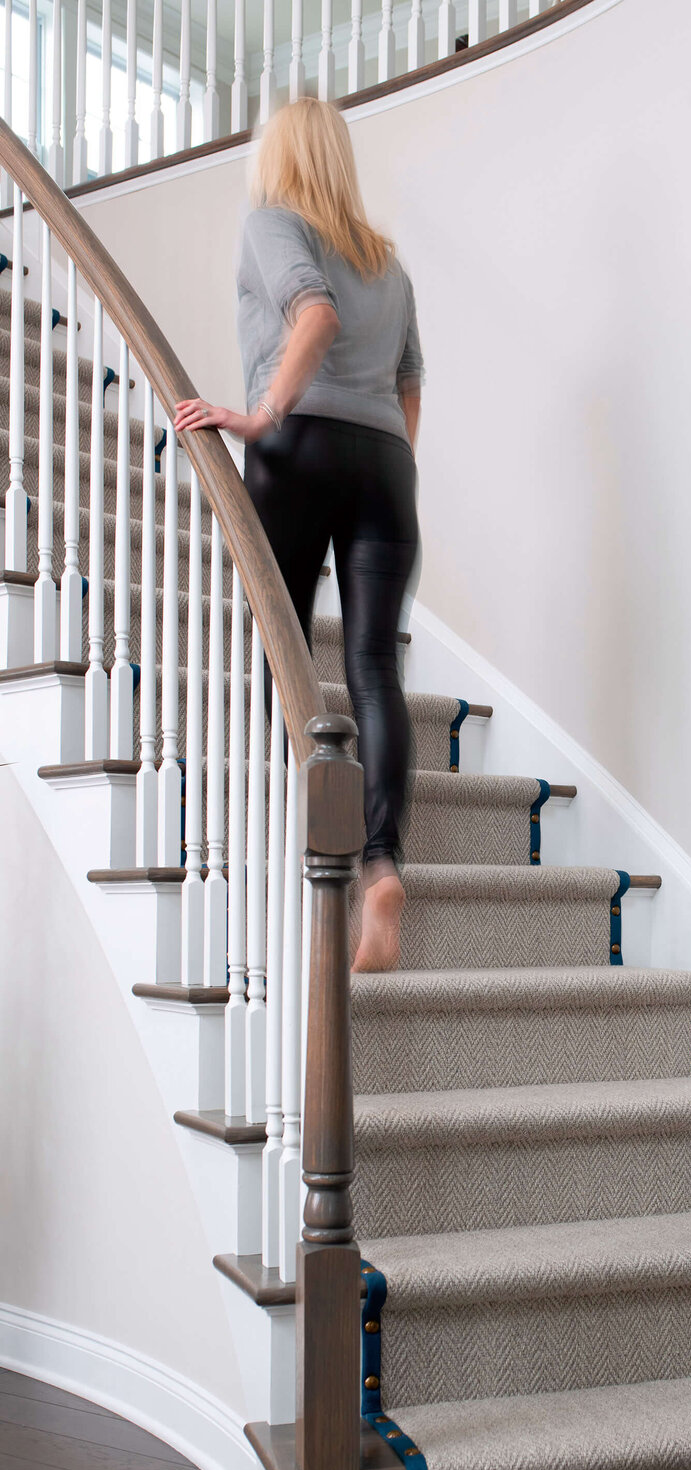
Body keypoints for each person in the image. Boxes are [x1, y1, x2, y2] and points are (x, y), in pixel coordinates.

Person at [175, 96, 423, 973]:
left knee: (272, 647)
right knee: (373, 668)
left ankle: (277, 835)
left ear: (278, 156)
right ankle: (382, 865)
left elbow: (313, 316)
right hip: (386, 466)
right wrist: (388, 460)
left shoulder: (272, 224)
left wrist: (263, 415)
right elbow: (409, 385)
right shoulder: (387, 263)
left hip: (301, 446)